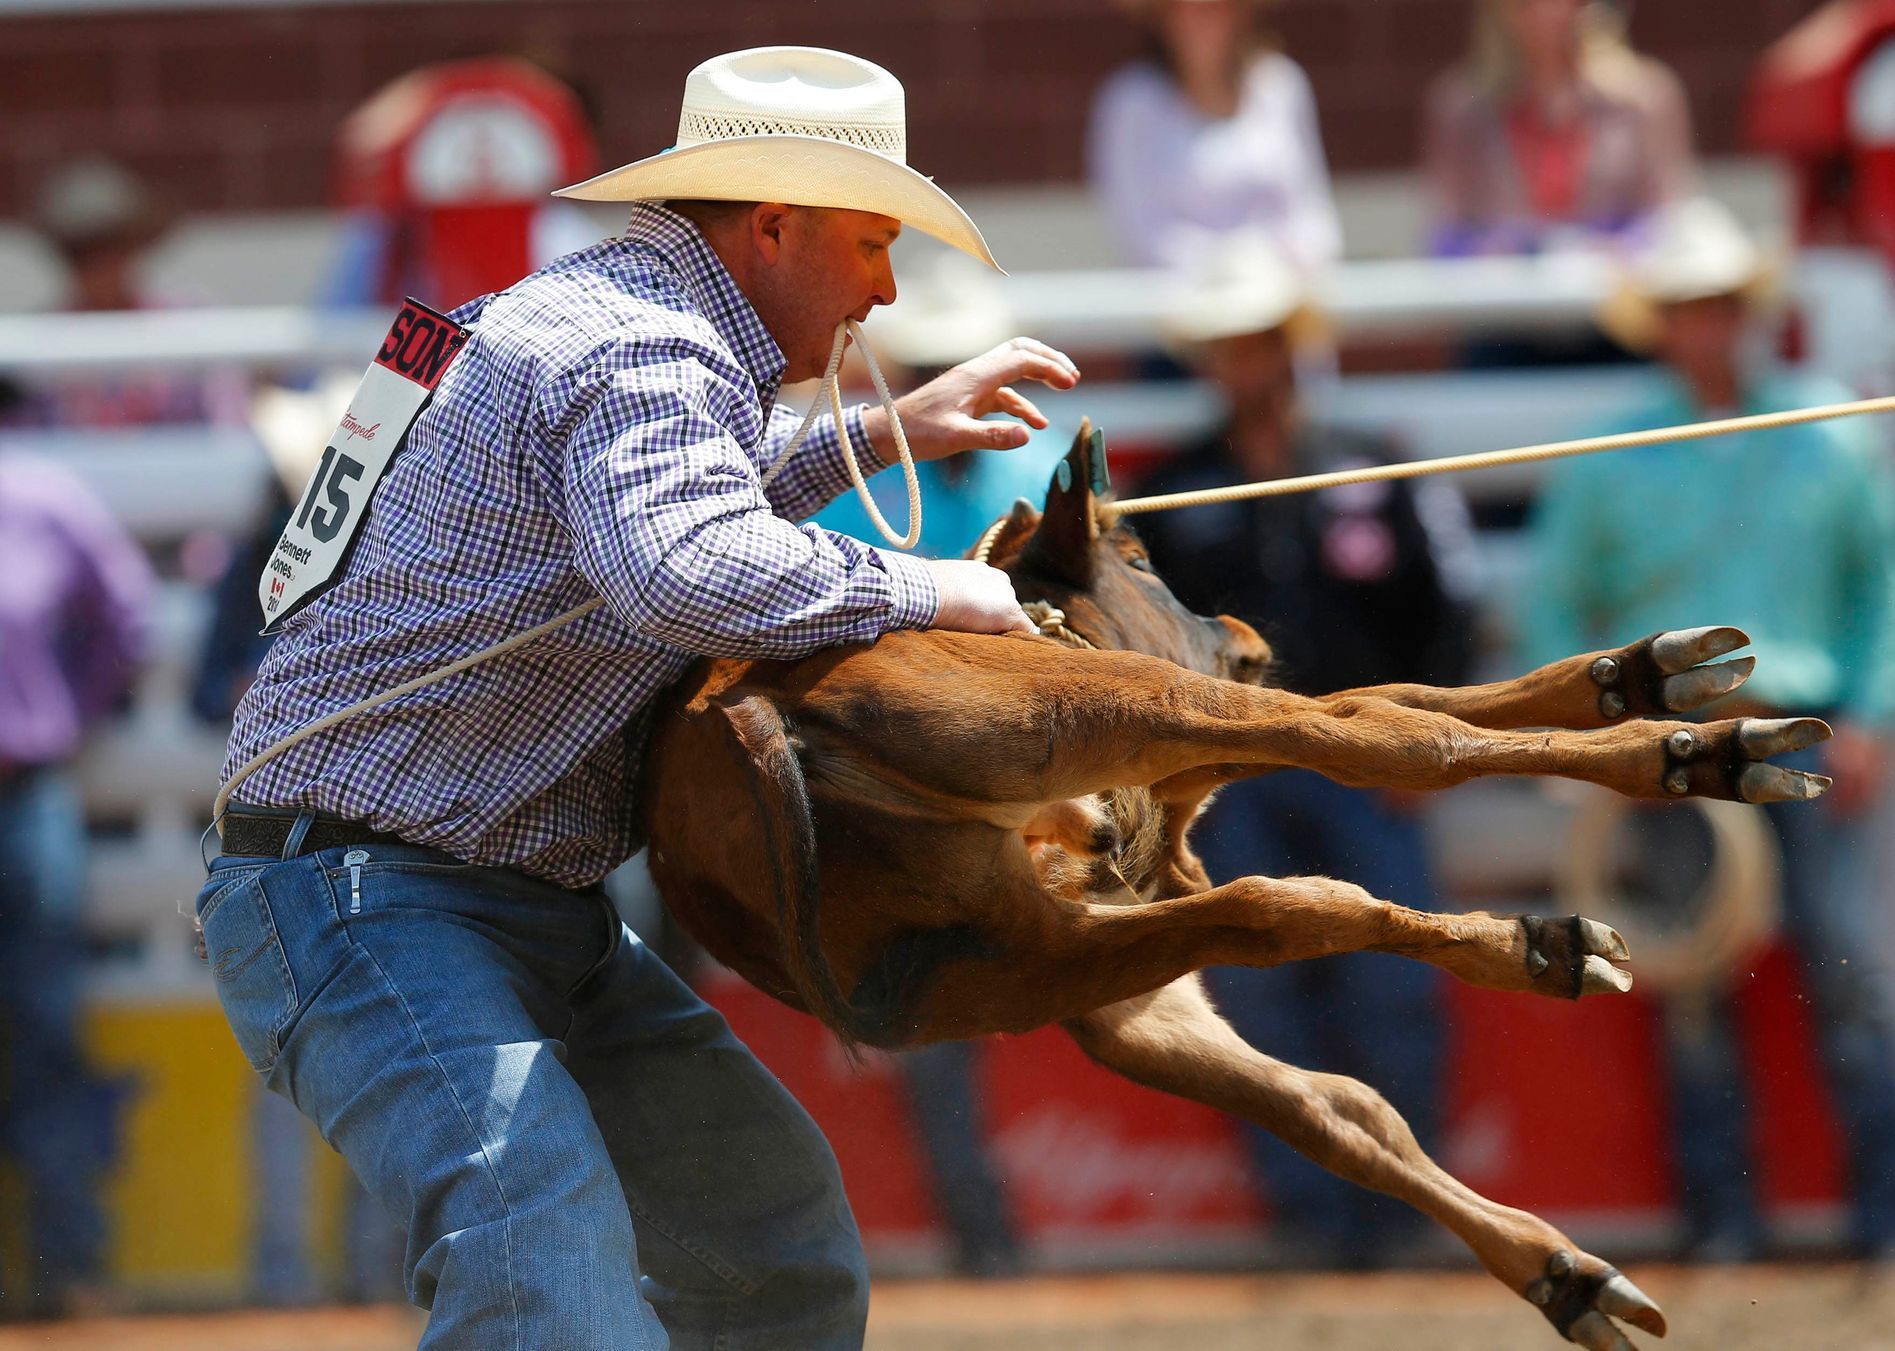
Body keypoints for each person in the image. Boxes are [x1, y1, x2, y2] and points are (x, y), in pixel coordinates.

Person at [195, 46, 1080, 1349]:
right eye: (871, 243)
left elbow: (657, 510)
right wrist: (938, 591)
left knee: (768, 1244)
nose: (887, 289)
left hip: (449, 894)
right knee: (538, 1254)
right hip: (373, 897)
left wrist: (875, 434)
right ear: (772, 226)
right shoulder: (643, 343)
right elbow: (674, 566)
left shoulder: (618, 320)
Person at [1519, 197, 1895, 1261]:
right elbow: (1551, 609)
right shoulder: (1609, 457)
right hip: (1678, 747)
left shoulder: (1820, 433)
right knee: (1691, 980)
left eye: (1720, 303)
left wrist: (1865, 715)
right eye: (1688, 305)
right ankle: (1721, 1217)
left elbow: (1880, 586)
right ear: (1664, 320)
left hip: (1805, 729)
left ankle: (1879, 1214)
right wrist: (1591, 735)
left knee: (1846, 969)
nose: (1706, 322)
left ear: (1744, 311)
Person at [1133, 234, 1478, 1268]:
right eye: (1228, 344)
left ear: (1289, 348)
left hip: (1366, 763)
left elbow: (1447, 616)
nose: (1246, 362)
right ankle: (1306, 1213)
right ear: (1210, 360)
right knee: (1257, 989)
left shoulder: (1378, 464)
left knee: (1395, 979)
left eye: (1261, 341)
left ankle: (1405, 1206)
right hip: (1231, 775)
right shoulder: (1173, 488)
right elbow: (1135, 641)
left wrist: (1434, 746)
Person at [0, 451, 153, 1317]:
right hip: (29, 798)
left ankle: (64, 1273)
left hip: (23, 794)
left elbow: (126, 619)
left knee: (46, 1028)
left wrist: (67, 717)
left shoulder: (40, 497)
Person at [1423, 0, 1694, 259]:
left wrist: (1624, 248)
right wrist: (1489, 252)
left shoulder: (1644, 98)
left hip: (1617, 294)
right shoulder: (1462, 107)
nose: (1551, 10)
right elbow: (1445, 234)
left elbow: (1670, 219)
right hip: (1505, 298)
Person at [1088, 0, 1341, 271]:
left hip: (1285, 296)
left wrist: (1282, 263)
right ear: (1163, 17)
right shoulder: (1131, 101)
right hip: (1177, 301)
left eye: (1214, 7)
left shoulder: (1281, 85)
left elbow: (1312, 215)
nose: (1201, 19)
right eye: (1186, 8)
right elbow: (1140, 231)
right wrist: (1223, 268)